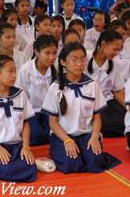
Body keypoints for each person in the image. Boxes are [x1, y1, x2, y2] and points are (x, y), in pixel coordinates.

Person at [42, 42, 121, 174]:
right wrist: (67, 140)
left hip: (86, 134)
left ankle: (84, 153)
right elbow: (53, 122)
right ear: (63, 62)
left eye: (83, 59)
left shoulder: (92, 85)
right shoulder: (55, 87)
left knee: (95, 163)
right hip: (63, 135)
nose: (79, 64)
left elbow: (97, 118)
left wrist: (95, 135)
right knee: (71, 165)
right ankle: (57, 152)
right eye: (74, 60)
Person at [17, 35, 57, 145]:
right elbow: (21, 97)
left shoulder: (56, 69)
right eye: (47, 53)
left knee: (55, 134)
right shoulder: (26, 70)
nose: (51, 57)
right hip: (32, 113)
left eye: (54, 53)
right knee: (34, 137)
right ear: (37, 52)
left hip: (51, 112)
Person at [86, 31, 125, 137]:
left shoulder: (114, 65)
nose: (116, 53)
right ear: (103, 44)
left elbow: (117, 91)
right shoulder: (85, 58)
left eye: (119, 50)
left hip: (107, 102)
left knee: (125, 122)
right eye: (114, 49)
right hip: (86, 102)